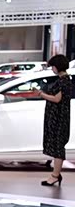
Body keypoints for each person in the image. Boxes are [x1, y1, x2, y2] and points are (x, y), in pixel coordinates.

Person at [36, 54, 72, 187]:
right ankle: (55, 174)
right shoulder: (64, 80)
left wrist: (41, 94)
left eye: (53, 67)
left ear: (57, 67)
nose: (52, 69)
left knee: (58, 147)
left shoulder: (64, 81)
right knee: (57, 146)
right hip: (58, 117)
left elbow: (57, 99)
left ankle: (55, 176)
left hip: (59, 119)